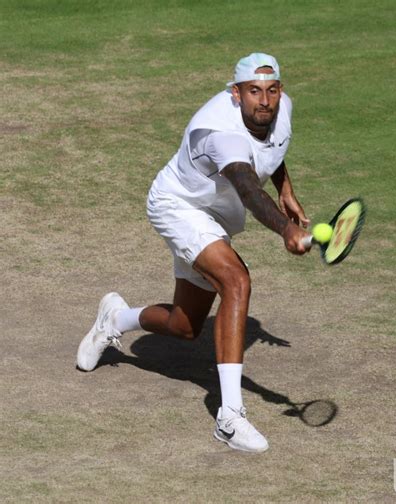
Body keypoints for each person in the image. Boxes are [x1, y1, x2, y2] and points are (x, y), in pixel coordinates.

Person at [76, 53, 311, 453]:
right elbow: (248, 189)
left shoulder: (278, 109)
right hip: (178, 206)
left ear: (280, 90)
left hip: (213, 216)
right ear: (235, 94)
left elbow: (272, 146)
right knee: (236, 281)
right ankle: (230, 418)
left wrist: (285, 188)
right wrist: (286, 229)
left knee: (186, 327)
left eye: (272, 91)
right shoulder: (219, 133)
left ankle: (114, 318)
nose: (265, 101)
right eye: (254, 92)